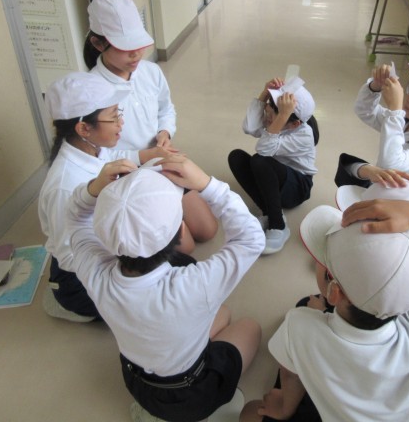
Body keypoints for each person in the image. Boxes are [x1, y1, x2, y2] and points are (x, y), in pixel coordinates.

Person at [240, 183, 409, 422]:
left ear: (333, 292)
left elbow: (290, 375)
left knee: (251, 412)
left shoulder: (299, 325)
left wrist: (284, 407)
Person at [65, 153, 265, 422]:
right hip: (192, 396)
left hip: (138, 383)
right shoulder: (195, 285)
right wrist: (208, 185)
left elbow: (74, 218)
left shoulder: (95, 273)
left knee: (222, 313)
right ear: (182, 233)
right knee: (250, 327)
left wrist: (93, 189)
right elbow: (252, 239)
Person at [38, 71, 176, 323]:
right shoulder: (64, 186)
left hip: (107, 248)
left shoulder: (89, 147)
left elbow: (111, 157)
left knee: (175, 260)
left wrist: (149, 156)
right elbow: (68, 256)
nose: (121, 123)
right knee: (162, 294)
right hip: (79, 277)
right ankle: (67, 302)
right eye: (114, 117)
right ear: (84, 128)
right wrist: (123, 257)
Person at [84, 0, 217, 245]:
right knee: (187, 246)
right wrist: (143, 156)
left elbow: (166, 109)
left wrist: (164, 132)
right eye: (125, 48)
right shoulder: (90, 91)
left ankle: (170, 212)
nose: (136, 54)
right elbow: (94, 155)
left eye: (139, 45)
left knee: (207, 230)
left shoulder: (151, 72)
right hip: (126, 175)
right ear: (98, 44)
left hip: (159, 161)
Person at [228, 77, 317, 255]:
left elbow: (263, 150)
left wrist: (282, 115)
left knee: (259, 160)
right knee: (236, 157)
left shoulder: (304, 135)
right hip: (273, 178)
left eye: (276, 111)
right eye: (270, 103)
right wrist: (264, 95)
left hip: (297, 187)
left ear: (295, 123)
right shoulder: (276, 120)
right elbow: (249, 127)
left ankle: (278, 226)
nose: (268, 111)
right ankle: (269, 212)